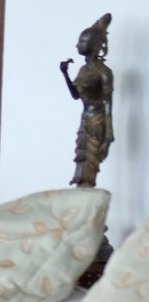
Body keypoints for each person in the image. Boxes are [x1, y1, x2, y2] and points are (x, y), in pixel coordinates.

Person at [60, 12, 113, 188]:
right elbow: (75, 95)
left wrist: (108, 136)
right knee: (81, 160)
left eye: (82, 42)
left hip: (97, 121)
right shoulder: (83, 70)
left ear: (95, 45)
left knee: (91, 163)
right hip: (85, 120)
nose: (77, 44)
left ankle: (86, 197)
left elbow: (107, 104)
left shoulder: (104, 72)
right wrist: (65, 74)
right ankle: (81, 197)